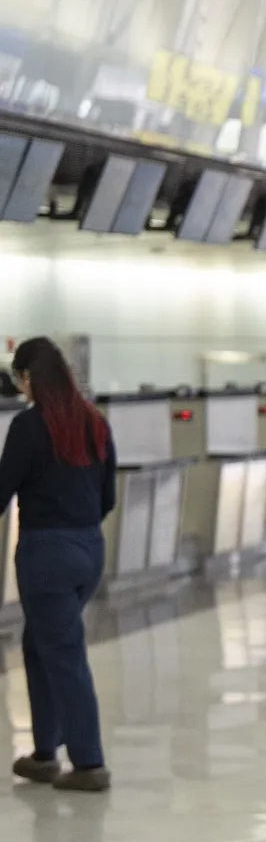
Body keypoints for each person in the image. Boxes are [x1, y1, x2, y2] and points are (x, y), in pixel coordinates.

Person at [0, 338, 117, 793]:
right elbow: (107, 496)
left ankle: (89, 762)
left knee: (64, 654)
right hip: (89, 550)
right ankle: (45, 752)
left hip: (46, 554)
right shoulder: (95, 423)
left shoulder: (29, 427)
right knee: (39, 644)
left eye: (20, 379)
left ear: (30, 377)